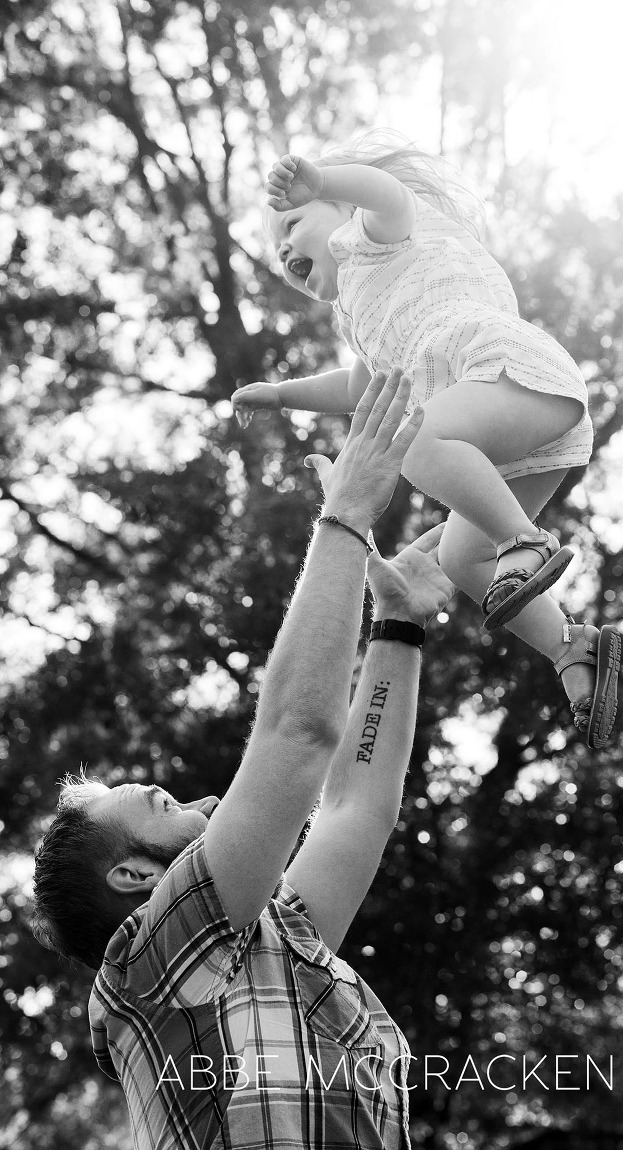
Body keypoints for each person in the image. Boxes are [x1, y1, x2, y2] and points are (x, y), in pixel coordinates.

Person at [32, 368, 455, 1150]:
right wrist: (346, 515)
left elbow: (354, 807)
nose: (185, 795)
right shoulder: (146, 962)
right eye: (157, 804)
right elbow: (296, 735)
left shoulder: (272, 938)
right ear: (135, 878)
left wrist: (397, 628)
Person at [231, 134, 621, 750]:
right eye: (275, 249)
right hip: (502, 431)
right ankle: (572, 648)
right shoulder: (361, 322)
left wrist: (326, 180)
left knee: (413, 443)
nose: (283, 250)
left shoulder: (377, 235)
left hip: (507, 370)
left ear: (337, 209)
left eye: (293, 222)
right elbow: (357, 388)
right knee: (464, 562)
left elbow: (383, 192)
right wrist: (282, 394)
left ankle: (523, 540)